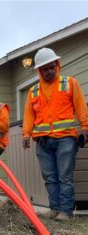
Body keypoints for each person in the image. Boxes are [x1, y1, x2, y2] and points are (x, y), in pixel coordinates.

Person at [22, 47, 88, 221]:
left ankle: (65, 211)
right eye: (45, 69)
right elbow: (29, 115)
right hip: (43, 142)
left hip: (66, 139)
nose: (49, 71)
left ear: (57, 65)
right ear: (40, 70)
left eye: (52, 67)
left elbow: (81, 107)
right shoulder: (33, 91)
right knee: (50, 177)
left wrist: (85, 128)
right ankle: (54, 208)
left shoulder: (70, 83)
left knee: (64, 176)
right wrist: (26, 134)